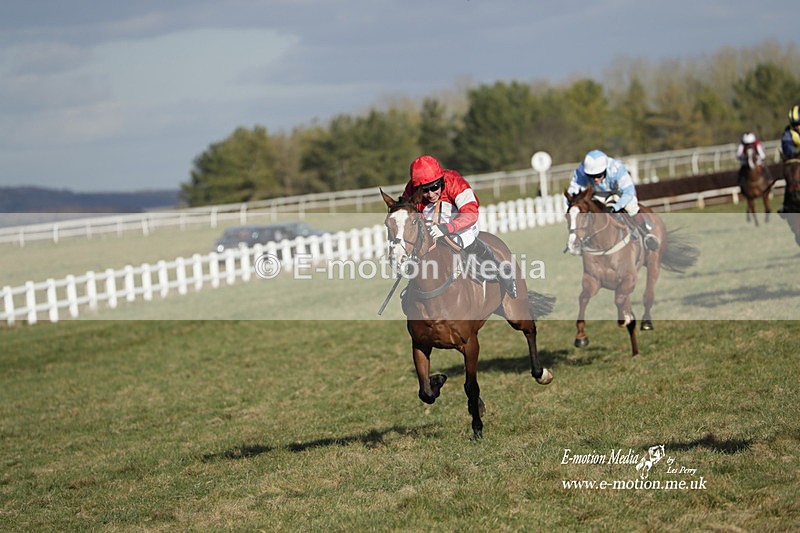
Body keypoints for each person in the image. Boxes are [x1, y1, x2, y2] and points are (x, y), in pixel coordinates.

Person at [402, 155, 517, 298]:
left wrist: (447, 228)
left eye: (434, 187)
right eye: (424, 190)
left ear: (442, 180)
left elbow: (471, 213)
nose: (431, 194)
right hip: (430, 227)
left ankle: (500, 269)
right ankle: (415, 287)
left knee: (460, 241)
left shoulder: (455, 182)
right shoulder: (410, 190)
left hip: (461, 223)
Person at [567, 149, 659, 251]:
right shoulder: (581, 171)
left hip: (619, 193)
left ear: (605, 169)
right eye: (591, 177)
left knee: (631, 206)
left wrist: (615, 207)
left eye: (598, 175)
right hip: (597, 194)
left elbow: (629, 192)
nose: (596, 180)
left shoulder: (617, 168)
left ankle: (646, 235)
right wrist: (572, 206)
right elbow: (572, 191)